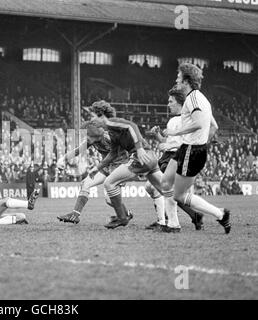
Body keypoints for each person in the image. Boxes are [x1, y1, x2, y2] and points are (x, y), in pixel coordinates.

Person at [160, 63, 230, 234]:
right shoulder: (201, 98)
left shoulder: (192, 99)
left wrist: (176, 132)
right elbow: (214, 126)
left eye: (178, 77)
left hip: (191, 151)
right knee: (165, 181)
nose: (176, 80)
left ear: (186, 80)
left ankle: (221, 214)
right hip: (189, 148)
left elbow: (199, 123)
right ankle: (173, 224)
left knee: (179, 195)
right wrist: (202, 144)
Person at [85, 113, 164, 229]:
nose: (93, 121)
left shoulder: (112, 123)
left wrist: (139, 148)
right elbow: (113, 153)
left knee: (109, 183)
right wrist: (97, 167)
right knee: (166, 189)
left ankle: (122, 218)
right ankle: (191, 215)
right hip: (151, 156)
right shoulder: (112, 132)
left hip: (140, 156)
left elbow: (132, 125)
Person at [56, 101, 130, 224]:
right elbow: (78, 150)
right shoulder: (93, 138)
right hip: (106, 167)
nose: (87, 138)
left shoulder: (107, 137)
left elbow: (117, 152)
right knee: (85, 183)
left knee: (109, 199)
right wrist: (63, 159)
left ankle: (125, 215)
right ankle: (75, 215)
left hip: (120, 167)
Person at [145, 85, 204, 231]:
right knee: (163, 190)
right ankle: (191, 216)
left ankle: (166, 221)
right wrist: (157, 136)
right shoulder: (172, 121)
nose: (168, 104)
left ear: (179, 102)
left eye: (171, 101)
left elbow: (187, 144)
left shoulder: (187, 121)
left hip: (176, 157)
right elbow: (168, 144)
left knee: (160, 188)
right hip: (167, 157)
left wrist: (169, 147)